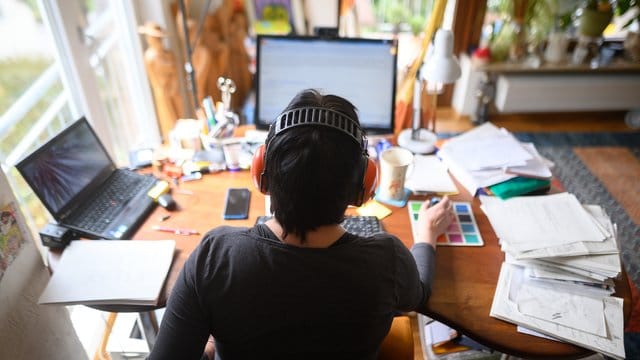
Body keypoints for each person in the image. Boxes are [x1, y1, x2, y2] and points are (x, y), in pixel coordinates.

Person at [148, 89, 454, 360]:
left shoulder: (214, 258)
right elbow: (420, 294)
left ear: (262, 172)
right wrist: (426, 235)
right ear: (363, 185)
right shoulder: (387, 261)